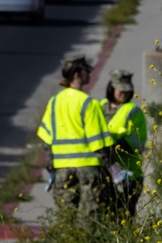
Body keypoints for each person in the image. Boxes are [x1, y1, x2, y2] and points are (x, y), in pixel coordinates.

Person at [37, 53, 114, 219]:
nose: (89, 73)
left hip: (62, 171)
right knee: (90, 220)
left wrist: (52, 167)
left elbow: (46, 140)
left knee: (67, 220)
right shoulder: (89, 104)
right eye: (87, 70)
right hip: (88, 170)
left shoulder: (54, 102)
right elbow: (100, 145)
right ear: (78, 74)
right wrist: (113, 171)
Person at [101, 69, 147, 217]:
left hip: (129, 176)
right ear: (111, 88)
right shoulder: (99, 106)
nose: (123, 93)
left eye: (127, 90)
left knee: (124, 217)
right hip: (104, 173)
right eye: (120, 89)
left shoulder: (132, 111)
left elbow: (138, 142)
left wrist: (118, 144)